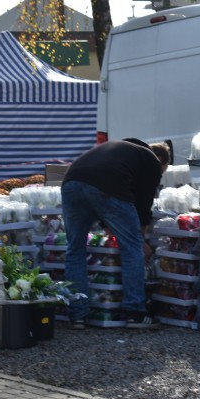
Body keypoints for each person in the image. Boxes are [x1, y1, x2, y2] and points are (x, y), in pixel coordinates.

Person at [61, 138, 171, 329]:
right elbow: (143, 207)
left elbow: (104, 208)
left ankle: (77, 314)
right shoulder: (151, 161)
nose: (161, 174)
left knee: (75, 250)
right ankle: (135, 312)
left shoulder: (118, 151)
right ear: (161, 159)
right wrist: (141, 240)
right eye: (165, 169)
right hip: (105, 185)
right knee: (132, 249)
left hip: (71, 183)